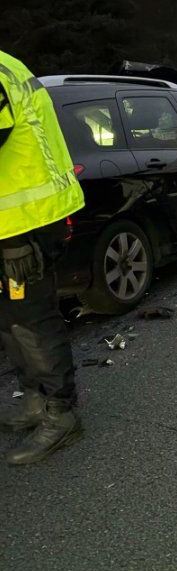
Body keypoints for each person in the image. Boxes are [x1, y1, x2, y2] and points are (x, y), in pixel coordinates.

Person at [0, 50, 85, 464]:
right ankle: (35, 399)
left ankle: (60, 413)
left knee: (33, 319)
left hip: (25, 225)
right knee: (9, 317)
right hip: (11, 221)